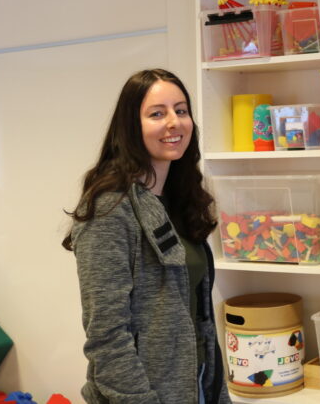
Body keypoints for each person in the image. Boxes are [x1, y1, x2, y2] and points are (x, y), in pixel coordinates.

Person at [63, 69, 232, 404]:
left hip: (195, 382)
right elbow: (107, 339)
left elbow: (196, 315)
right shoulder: (110, 210)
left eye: (181, 110)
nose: (174, 122)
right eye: (157, 113)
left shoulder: (177, 199)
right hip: (141, 395)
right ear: (130, 127)